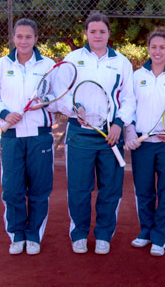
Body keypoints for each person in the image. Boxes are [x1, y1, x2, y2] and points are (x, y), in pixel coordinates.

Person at [57, 13, 135, 255]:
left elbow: (129, 98)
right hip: (79, 134)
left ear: (108, 34)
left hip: (110, 136)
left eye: (102, 31)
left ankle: (103, 234)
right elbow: (60, 95)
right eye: (93, 31)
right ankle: (79, 233)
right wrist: (73, 109)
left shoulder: (121, 62)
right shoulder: (72, 59)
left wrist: (119, 123)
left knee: (110, 189)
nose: (98, 35)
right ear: (86, 34)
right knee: (79, 189)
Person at [0, 18, 56, 255]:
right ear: (14, 38)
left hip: (39, 137)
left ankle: (33, 235)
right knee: (12, 190)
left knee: (39, 189)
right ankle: (17, 235)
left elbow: (60, 98)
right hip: (11, 138)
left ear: (36, 39)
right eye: (19, 36)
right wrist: (4, 113)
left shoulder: (48, 66)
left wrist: (46, 102)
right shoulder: (2, 65)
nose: (24, 41)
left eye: (29, 37)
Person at [124, 27, 165, 257]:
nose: (158, 51)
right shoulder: (137, 75)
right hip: (142, 145)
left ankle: (160, 238)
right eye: (153, 47)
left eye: (162, 47)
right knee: (143, 191)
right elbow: (129, 106)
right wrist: (130, 132)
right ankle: (146, 232)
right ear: (148, 49)